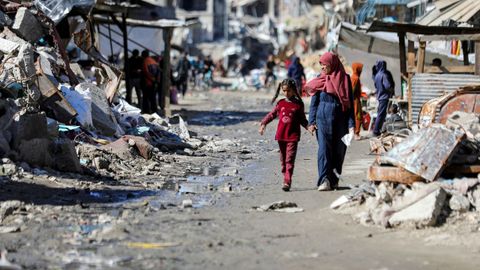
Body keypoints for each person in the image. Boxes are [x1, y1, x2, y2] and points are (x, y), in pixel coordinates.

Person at [305, 52, 354, 191]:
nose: (322, 67)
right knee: (324, 150)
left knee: (339, 151)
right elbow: (314, 103)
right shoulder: (320, 79)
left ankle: (334, 179)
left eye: (324, 64)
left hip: (341, 121)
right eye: (321, 64)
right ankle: (324, 180)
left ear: (332, 64)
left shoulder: (345, 79)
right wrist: (311, 122)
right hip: (323, 120)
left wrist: (351, 125)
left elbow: (350, 104)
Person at [259, 79, 309, 192]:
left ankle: (287, 181)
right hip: (281, 136)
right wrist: (263, 123)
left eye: (289, 91)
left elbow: (302, 119)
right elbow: (272, 115)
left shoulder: (298, 104)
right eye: (284, 91)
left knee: (289, 160)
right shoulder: (280, 103)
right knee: (283, 160)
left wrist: (309, 127)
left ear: (294, 90)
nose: (286, 93)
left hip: (293, 137)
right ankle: (284, 176)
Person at [372, 60, 395, 136]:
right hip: (384, 97)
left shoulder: (377, 75)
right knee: (381, 114)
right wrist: (391, 90)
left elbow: (376, 86)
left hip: (380, 96)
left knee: (381, 114)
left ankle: (378, 129)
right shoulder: (384, 75)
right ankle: (376, 130)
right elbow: (387, 86)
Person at [350, 62, 364, 140]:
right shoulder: (355, 78)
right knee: (357, 116)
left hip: (355, 100)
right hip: (355, 101)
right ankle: (356, 133)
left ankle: (356, 132)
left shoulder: (354, 77)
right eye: (360, 69)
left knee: (356, 115)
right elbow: (352, 91)